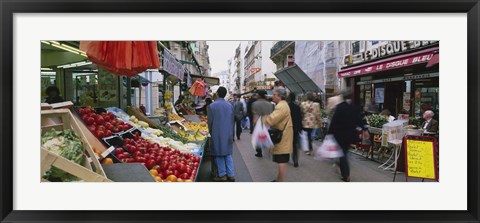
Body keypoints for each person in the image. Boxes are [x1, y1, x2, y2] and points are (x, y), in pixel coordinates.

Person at [327, 90, 369, 182]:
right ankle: (344, 171)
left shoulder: (339, 107)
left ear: (342, 97)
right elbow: (359, 120)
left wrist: (329, 133)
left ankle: (346, 175)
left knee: (343, 154)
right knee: (345, 153)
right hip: (350, 135)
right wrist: (365, 129)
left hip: (340, 135)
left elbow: (334, 121)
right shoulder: (353, 108)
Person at [262, 88, 293, 182]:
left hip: (283, 137)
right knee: (281, 160)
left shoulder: (281, 106)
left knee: (281, 161)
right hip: (284, 135)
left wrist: (263, 117)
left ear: (280, 96)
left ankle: (280, 181)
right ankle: (279, 179)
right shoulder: (282, 105)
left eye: (275, 94)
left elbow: (271, 120)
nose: (273, 96)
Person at [207, 87, 235, 182]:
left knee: (219, 154)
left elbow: (210, 122)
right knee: (228, 154)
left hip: (217, 132)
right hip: (228, 132)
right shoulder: (230, 105)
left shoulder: (212, 106)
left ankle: (222, 175)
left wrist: (210, 131)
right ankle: (231, 174)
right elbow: (232, 120)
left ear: (217, 93)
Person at [252, 90, 274, 157]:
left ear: (259, 95)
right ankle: (269, 149)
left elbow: (255, 115)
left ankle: (259, 152)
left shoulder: (255, 104)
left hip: (259, 122)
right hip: (268, 122)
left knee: (258, 136)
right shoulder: (270, 104)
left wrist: (254, 123)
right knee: (267, 135)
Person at [287, 92, 302, 167]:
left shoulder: (287, 107)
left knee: (286, 143)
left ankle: (286, 158)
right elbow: (300, 118)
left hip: (288, 128)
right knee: (295, 144)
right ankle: (295, 160)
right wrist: (300, 128)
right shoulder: (297, 107)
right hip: (296, 128)